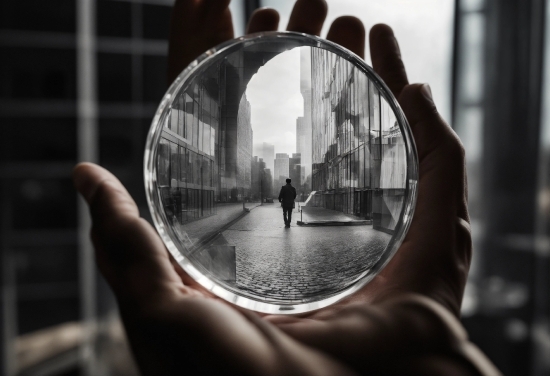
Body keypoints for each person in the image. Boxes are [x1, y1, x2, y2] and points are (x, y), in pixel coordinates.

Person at [72, 0, 501, 374]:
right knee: (285, 216)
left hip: (313, 260)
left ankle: (288, 223)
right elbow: (284, 195)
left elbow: (285, 196)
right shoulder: (288, 189)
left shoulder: (292, 187)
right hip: (395, 326)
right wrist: (428, 351)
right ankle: (288, 223)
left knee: (285, 216)